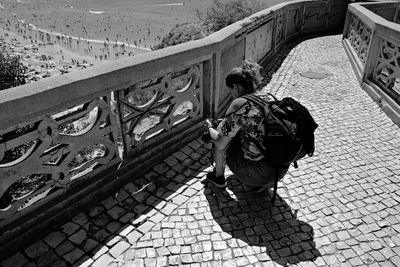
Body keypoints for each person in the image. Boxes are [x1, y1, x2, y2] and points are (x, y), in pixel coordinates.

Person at [204, 60, 289, 192]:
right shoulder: (269, 97)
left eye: (230, 90)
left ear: (236, 87)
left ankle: (218, 177)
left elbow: (220, 143)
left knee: (221, 138)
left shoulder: (240, 104)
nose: (231, 95)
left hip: (258, 172)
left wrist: (210, 128)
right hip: (281, 166)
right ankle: (261, 184)